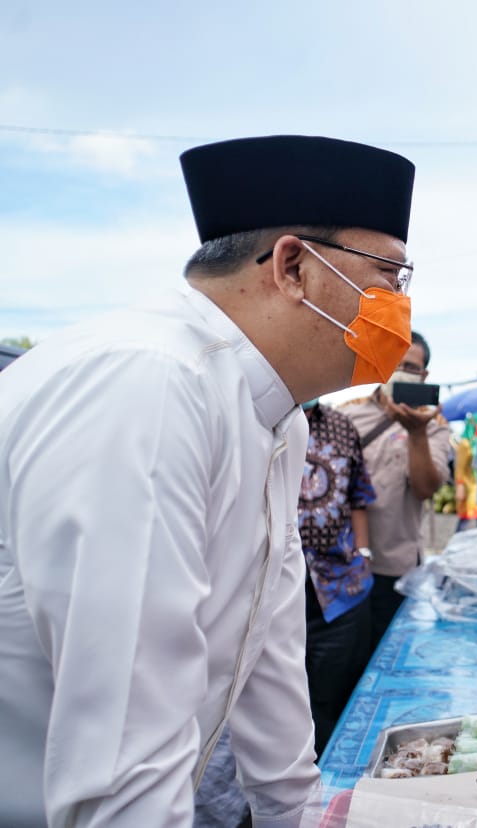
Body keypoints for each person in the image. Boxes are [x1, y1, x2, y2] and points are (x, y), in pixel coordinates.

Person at [0, 134, 416, 825]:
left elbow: (270, 640)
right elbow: (119, 764)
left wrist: (298, 816)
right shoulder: (147, 382)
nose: (399, 306)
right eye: (389, 276)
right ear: (293, 266)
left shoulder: (278, 419)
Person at [341, 331, 452, 650]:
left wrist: (416, 434)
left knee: (385, 651)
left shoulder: (434, 425)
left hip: (394, 566)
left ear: (424, 374)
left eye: (411, 366)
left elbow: (425, 488)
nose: (401, 371)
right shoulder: (348, 415)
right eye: (394, 363)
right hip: (340, 565)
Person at [297, 399, 376, 756]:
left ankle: (327, 776)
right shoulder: (257, 420)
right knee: (284, 699)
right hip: (275, 588)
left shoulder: (342, 427)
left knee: (331, 694)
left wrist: (363, 554)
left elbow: (358, 498)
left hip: (338, 585)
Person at [453, 413, 477, 531]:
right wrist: (460, 485)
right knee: (466, 518)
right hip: (468, 485)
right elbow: (459, 467)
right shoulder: (465, 444)